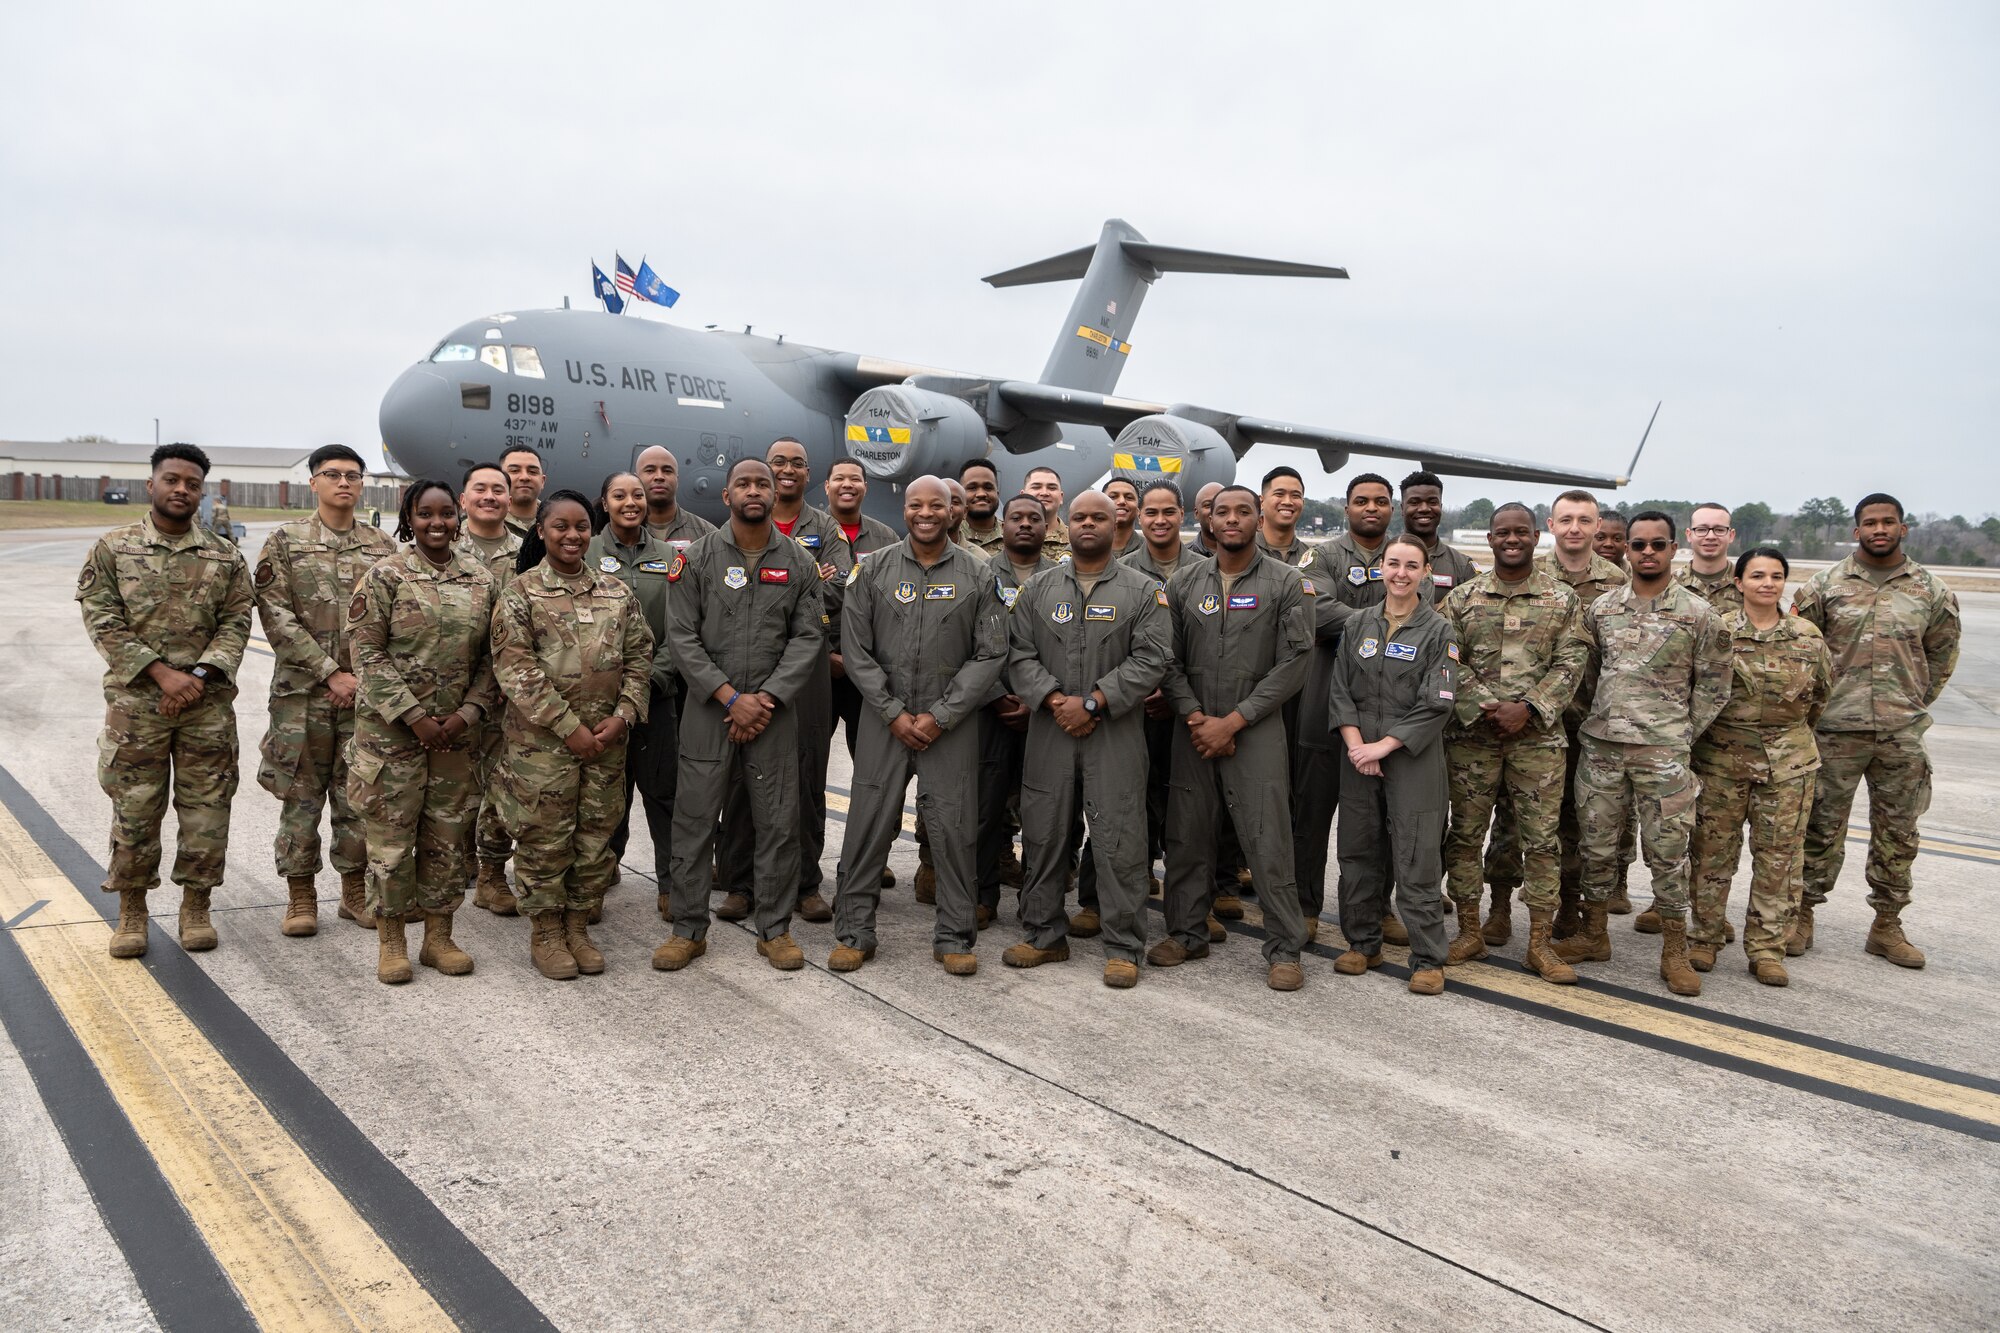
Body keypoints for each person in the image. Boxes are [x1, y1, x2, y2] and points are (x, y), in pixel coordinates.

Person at [826, 477, 1007, 975]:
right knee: (867, 825)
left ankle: (954, 935)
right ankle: (855, 930)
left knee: (953, 830)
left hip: (950, 722)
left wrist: (942, 714)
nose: (925, 513)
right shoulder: (872, 570)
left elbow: (991, 652)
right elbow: (856, 652)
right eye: (915, 504)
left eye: (937, 505)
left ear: (954, 511)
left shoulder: (979, 572)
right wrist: (892, 712)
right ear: (904, 510)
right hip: (884, 720)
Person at [651, 459, 826, 973]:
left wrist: (765, 698)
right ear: (726, 495)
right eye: (744, 484)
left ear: (775, 495)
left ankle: (774, 931)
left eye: (762, 484)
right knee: (694, 821)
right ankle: (688, 929)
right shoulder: (696, 559)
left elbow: (808, 637)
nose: (754, 491)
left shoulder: (798, 563)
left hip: (773, 714)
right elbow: (681, 637)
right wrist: (731, 698)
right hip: (710, 711)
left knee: (778, 823)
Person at [79, 443, 253, 959]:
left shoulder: (224, 555)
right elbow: (102, 620)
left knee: (207, 810)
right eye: (172, 479)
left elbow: (237, 619)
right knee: (136, 810)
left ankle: (196, 906)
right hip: (138, 709)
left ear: (203, 492)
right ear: (151, 484)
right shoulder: (114, 549)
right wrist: (161, 674)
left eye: (192, 483)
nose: (182, 489)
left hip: (206, 705)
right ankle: (132, 909)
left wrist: (197, 675)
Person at [1556, 510, 1731, 996]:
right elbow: (1586, 677)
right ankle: (1594, 935)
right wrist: (1602, 723)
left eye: (1658, 544)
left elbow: (1715, 687)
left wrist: (1678, 734)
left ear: (1675, 549)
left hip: (1664, 755)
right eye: (1639, 545)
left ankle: (1674, 949)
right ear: (1627, 550)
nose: (1647, 552)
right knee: (1595, 850)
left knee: (1668, 853)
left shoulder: (1699, 614)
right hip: (1603, 751)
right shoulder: (1602, 609)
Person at [1002, 492, 1170, 987]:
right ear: (1065, 524)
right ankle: (1044, 934)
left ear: (1118, 521)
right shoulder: (1038, 589)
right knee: (1044, 832)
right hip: (1050, 731)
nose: (1089, 524)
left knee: (1119, 837)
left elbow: (1153, 658)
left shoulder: (1143, 591)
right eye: (1080, 517)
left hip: (1113, 732)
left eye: (1100, 516)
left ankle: (1123, 945)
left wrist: (1095, 701)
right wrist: (1056, 702)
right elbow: (1017, 654)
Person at [1152, 485, 1314, 991]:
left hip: (1255, 729)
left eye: (1243, 510)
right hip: (1194, 730)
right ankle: (1186, 932)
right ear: (1209, 520)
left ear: (1259, 516)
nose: (1232, 519)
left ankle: (1285, 947)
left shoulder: (1288, 583)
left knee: (1267, 838)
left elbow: (1296, 663)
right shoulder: (1184, 583)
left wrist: (1236, 720)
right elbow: (1166, 658)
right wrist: (1196, 715)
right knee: (1187, 835)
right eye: (1223, 511)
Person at [490, 491, 653, 980]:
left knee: (595, 836)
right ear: (541, 531)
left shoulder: (616, 592)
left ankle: (579, 924)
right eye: (560, 526)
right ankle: (546, 931)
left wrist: (623, 715)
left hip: (606, 743)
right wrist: (568, 727)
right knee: (544, 838)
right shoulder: (520, 594)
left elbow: (640, 657)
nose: (572, 535)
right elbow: (515, 669)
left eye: (581, 526)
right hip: (543, 746)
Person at [1793, 494, 1960, 966]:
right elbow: (1801, 652)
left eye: (1888, 522)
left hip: (1900, 733)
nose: (1879, 529)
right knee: (1819, 829)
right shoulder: (1824, 586)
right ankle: (1802, 914)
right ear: (1856, 530)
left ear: (1903, 529)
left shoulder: (1931, 590)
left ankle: (1887, 923)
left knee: (1898, 833)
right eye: (1870, 522)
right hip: (1833, 731)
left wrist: (1910, 704)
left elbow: (1942, 656)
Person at [346, 481, 499, 983]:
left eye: (446, 513)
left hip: (455, 737)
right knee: (390, 842)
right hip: (392, 737)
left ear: (458, 517)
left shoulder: (480, 578)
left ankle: (439, 937)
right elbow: (365, 653)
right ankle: (392, 941)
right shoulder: (384, 576)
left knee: (448, 838)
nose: (437, 523)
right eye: (425, 514)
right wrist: (414, 715)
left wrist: (468, 714)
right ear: (408, 518)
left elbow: (492, 659)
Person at [1439, 504, 1590, 982]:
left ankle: (1540, 945)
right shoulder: (1462, 599)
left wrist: (1529, 708)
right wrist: (1487, 706)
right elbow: (1447, 660)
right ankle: (1469, 930)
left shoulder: (1562, 600)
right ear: (1489, 539)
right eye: (1502, 533)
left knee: (1542, 843)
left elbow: (1571, 662)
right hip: (1472, 740)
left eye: (1520, 532)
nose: (1511, 539)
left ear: (1533, 537)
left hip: (1538, 741)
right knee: (1464, 837)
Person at [251, 443, 396, 937]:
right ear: (312, 482)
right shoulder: (286, 542)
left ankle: (353, 892)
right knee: (301, 796)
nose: (344, 483)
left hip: (364, 697)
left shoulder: (382, 547)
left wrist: (360, 680)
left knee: (359, 795)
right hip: (302, 696)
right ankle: (300, 895)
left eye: (353, 475)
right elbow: (275, 614)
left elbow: (395, 621)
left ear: (363, 484)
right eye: (332, 474)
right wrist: (330, 672)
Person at [1482, 490, 1633, 937]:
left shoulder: (1617, 582)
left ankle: (1569, 907)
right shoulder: (1527, 568)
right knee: (1509, 821)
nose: (1575, 528)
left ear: (1596, 524)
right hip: (1526, 724)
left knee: (1574, 824)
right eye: (1565, 519)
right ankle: (1500, 907)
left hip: (1588, 722)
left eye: (1584, 520)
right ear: (1550, 526)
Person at [1688, 547, 1831, 986]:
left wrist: (1785, 740)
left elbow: (1819, 698)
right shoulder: (1719, 632)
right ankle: (1704, 938)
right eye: (1757, 575)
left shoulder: (1807, 636)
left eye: (1775, 576)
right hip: (1722, 763)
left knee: (1778, 860)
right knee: (1712, 854)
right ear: (1739, 582)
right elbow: (1699, 691)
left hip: (1788, 766)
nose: (1767, 583)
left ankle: (1767, 949)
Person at [1328, 534, 1460, 994]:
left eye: (1411, 566)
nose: (1401, 573)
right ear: (1381, 568)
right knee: (1358, 853)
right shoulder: (1358, 624)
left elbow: (1437, 702)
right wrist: (1356, 747)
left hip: (1411, 759)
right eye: (1393, 564)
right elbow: (1340, 690)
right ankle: (1362, 944)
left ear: (1425, 572)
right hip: (1357, 756)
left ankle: (1427, 959)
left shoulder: (1439, 630)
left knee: (1416, 857)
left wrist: (1383, 747)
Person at [715, 438, 840, 924]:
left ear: (807, 475)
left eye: (796, 464)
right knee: (740, 781)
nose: (784, 472)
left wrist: (784, 586)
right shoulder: (723, 535)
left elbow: (835, 587)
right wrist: (797, 579)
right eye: (775, 464)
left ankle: (806, 883)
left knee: (805, 778)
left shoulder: (823, 526)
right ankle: (740, 884)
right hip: (741, 668)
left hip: (803, 673)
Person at [586, 472, 681, 920]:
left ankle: (671, 883)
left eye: (637, 495)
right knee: (604, 796)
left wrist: (644, 684)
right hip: (596, 704)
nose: (631, 502)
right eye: (619, 495)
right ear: (604, 503)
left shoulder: (671, 557)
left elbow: (682, 630)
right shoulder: (584, 552)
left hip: (656, 696)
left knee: (664, 793)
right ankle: (596, 879)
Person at [1313, 473, 1398, 937]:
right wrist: (1384, 626)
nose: (1371, 508)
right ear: (1346, 508)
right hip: (1326, 699)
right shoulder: (1323, 555)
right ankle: (1306, 905)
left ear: (1391, 509)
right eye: (1361, 501)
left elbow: (1425, 617)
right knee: (1312, 812)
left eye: (1380, 502)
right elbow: (1318, 611)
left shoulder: (1404, 558)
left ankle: (1378, 907)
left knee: (1378, 822)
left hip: (1387, 711)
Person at [1121, 479, 1206, 901]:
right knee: (1133, 798)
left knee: (1186, 806)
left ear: (1183, 514)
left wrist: (1177, 697)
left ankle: (1191, 895)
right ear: (1139, 516)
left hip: (1188, 706)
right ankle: (1133, 880)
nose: (1159, 520)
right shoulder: (1119, 567)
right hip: (1134, 706)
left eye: (1168, 511)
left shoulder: (1206, 567)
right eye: (1150, 512)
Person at [977, 495, 1058, 923]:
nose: (1025, 524)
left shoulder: (1061, 578)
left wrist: (1037, 700)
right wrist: (994, 695)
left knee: (1043, 811)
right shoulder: (980, 573)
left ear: (1047, 527)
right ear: (1002, 525)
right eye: (1016, 518)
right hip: (989, 710)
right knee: (985, 809)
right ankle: (982, 897)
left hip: (1044, 714)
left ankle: (1038, 902)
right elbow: (964, 644)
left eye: (1034, 518)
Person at [456, 462, 525, 916]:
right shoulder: (441, 543)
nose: (489, 496)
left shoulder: (528, 550)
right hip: (452, 692)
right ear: (464, 498)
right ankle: (446, 868)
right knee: (451, 786)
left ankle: (491, 875)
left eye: (498, 489)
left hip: (511, 692)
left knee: (502, 786)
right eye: (479, 488)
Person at [824, 457, 900, 758]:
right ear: (827, 485)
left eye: (854, 479)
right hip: (821, 668)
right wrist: (823, 654)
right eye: (839, 478)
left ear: (865, 488)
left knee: (871, 761)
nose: (847, 484)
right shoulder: (809, 534)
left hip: (869, 670)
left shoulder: (887, 538)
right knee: (808, 760)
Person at [1399, 470, 1481, 596]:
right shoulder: (1383, 558)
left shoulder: (1463, 566)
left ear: (1441, 507)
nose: (1424, 509)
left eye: (1432, 502)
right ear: (1402, 509)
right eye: (1414, 502)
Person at [636, 444, 715, 549]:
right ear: (636, 479)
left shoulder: (707, 535)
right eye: (650, 470)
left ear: (677, 479)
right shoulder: (624, 532)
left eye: (667, 471)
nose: (659, 477)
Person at [1675, 503, 1743, 612]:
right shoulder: (1669, 585)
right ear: (1689, 535)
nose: (1710, 536)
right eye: (1701, 529)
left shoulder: (1747, 585)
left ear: (1731, 535)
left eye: (1719, 530)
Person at [1023, 466, 1073, 561]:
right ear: (1023, 495)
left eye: (1052, 488)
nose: (1044, 493)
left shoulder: (1075, 540)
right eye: (1036, 487)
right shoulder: (1005, 537)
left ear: (1061, 497)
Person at [499, 445, 547, 537]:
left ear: (542, 481)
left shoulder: (558, 522)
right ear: (499, 479)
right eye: (514, 470)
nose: (524, 477)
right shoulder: (479, 524)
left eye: (532, 472)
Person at [960, 458, 1005, 554]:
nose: (981, 494)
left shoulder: (1013, 536)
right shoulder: (948, 535)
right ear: (960, 494)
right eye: (972, 488)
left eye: (988, 488)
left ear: (997, 494)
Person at [1102, 477, 1145, 558]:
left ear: (1138, 509)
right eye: (1113, 497)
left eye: (1129, 497)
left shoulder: (1150, 550)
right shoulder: (1081, 547)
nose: (1121, 501)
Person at [1189, 482, 1224, 558]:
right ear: (1196, 513)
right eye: (1208, 505)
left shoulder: (1250, 554)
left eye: (1222, 504)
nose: (1216, 510)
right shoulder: (1183, 558)